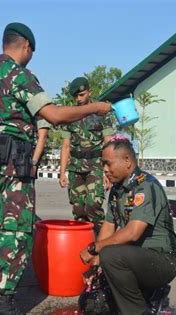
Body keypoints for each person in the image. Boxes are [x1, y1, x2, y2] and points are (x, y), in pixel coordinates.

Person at [0, 22, 112, 315]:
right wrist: (94, 108)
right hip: (13, 166)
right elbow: (55, 115)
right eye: (31, 52)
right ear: (25, 46)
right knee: (15, 232)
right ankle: (4, 303)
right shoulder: (18, 75)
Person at [80, 137, 176, 314]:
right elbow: (108, 226)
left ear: (127, 161)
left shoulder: (145, 187)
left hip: (163, 260)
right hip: (137, 258)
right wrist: (95, 266)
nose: (105, 169)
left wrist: (95, 248)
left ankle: (138, 311)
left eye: (108, 163)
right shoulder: (118, 190)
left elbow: (133, 233)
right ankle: (150, 295)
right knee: (94, 303)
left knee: (110, 255)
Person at [59, 77, 114, 234]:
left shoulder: (101, 114)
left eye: (82, 94)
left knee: (93, 205)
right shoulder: (69, 115)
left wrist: (107, 171)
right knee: (78, 209)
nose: (79, 99)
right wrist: (62, 172)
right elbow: (65, 145)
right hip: (75, 167)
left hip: (95, 166)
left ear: (90, 92)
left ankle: (103, 241)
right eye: (76, 96)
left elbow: (108, 143)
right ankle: (82, 241)